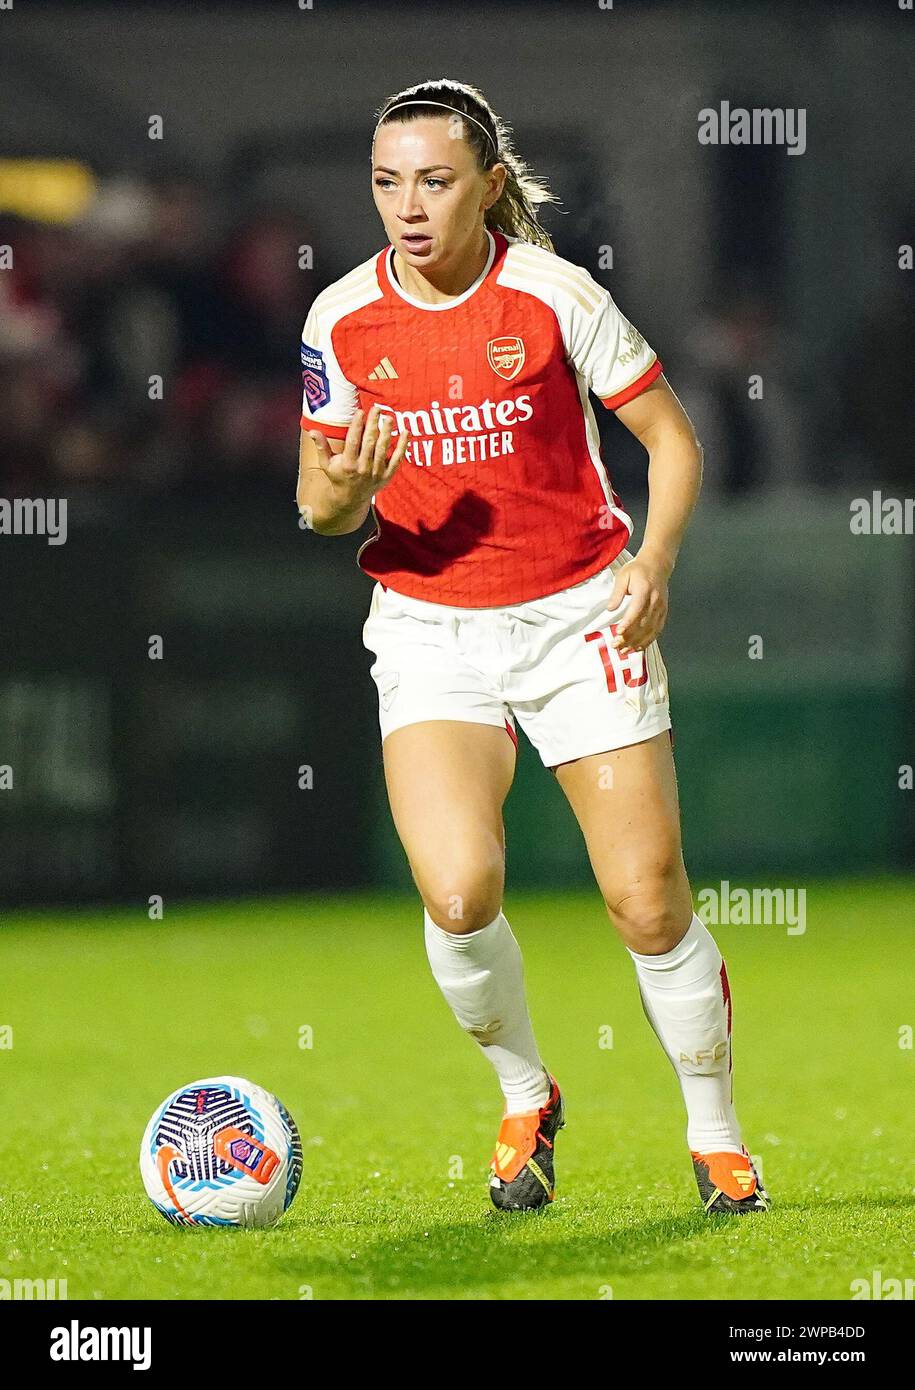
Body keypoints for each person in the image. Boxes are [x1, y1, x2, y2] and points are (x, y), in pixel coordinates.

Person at [295, 78, 769, 1216]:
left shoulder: (554, 296)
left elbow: (673, 440)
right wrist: (344, 490)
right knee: (457, 891)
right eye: (386, 181)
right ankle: (525, 1093)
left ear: (490, 185)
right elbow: (317, 503)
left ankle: (715, 1133)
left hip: (577, 616)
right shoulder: (341, 318)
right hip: (430, 626)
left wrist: (651, 565)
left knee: (646, 901)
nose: (407, 205)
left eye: (436, 180)